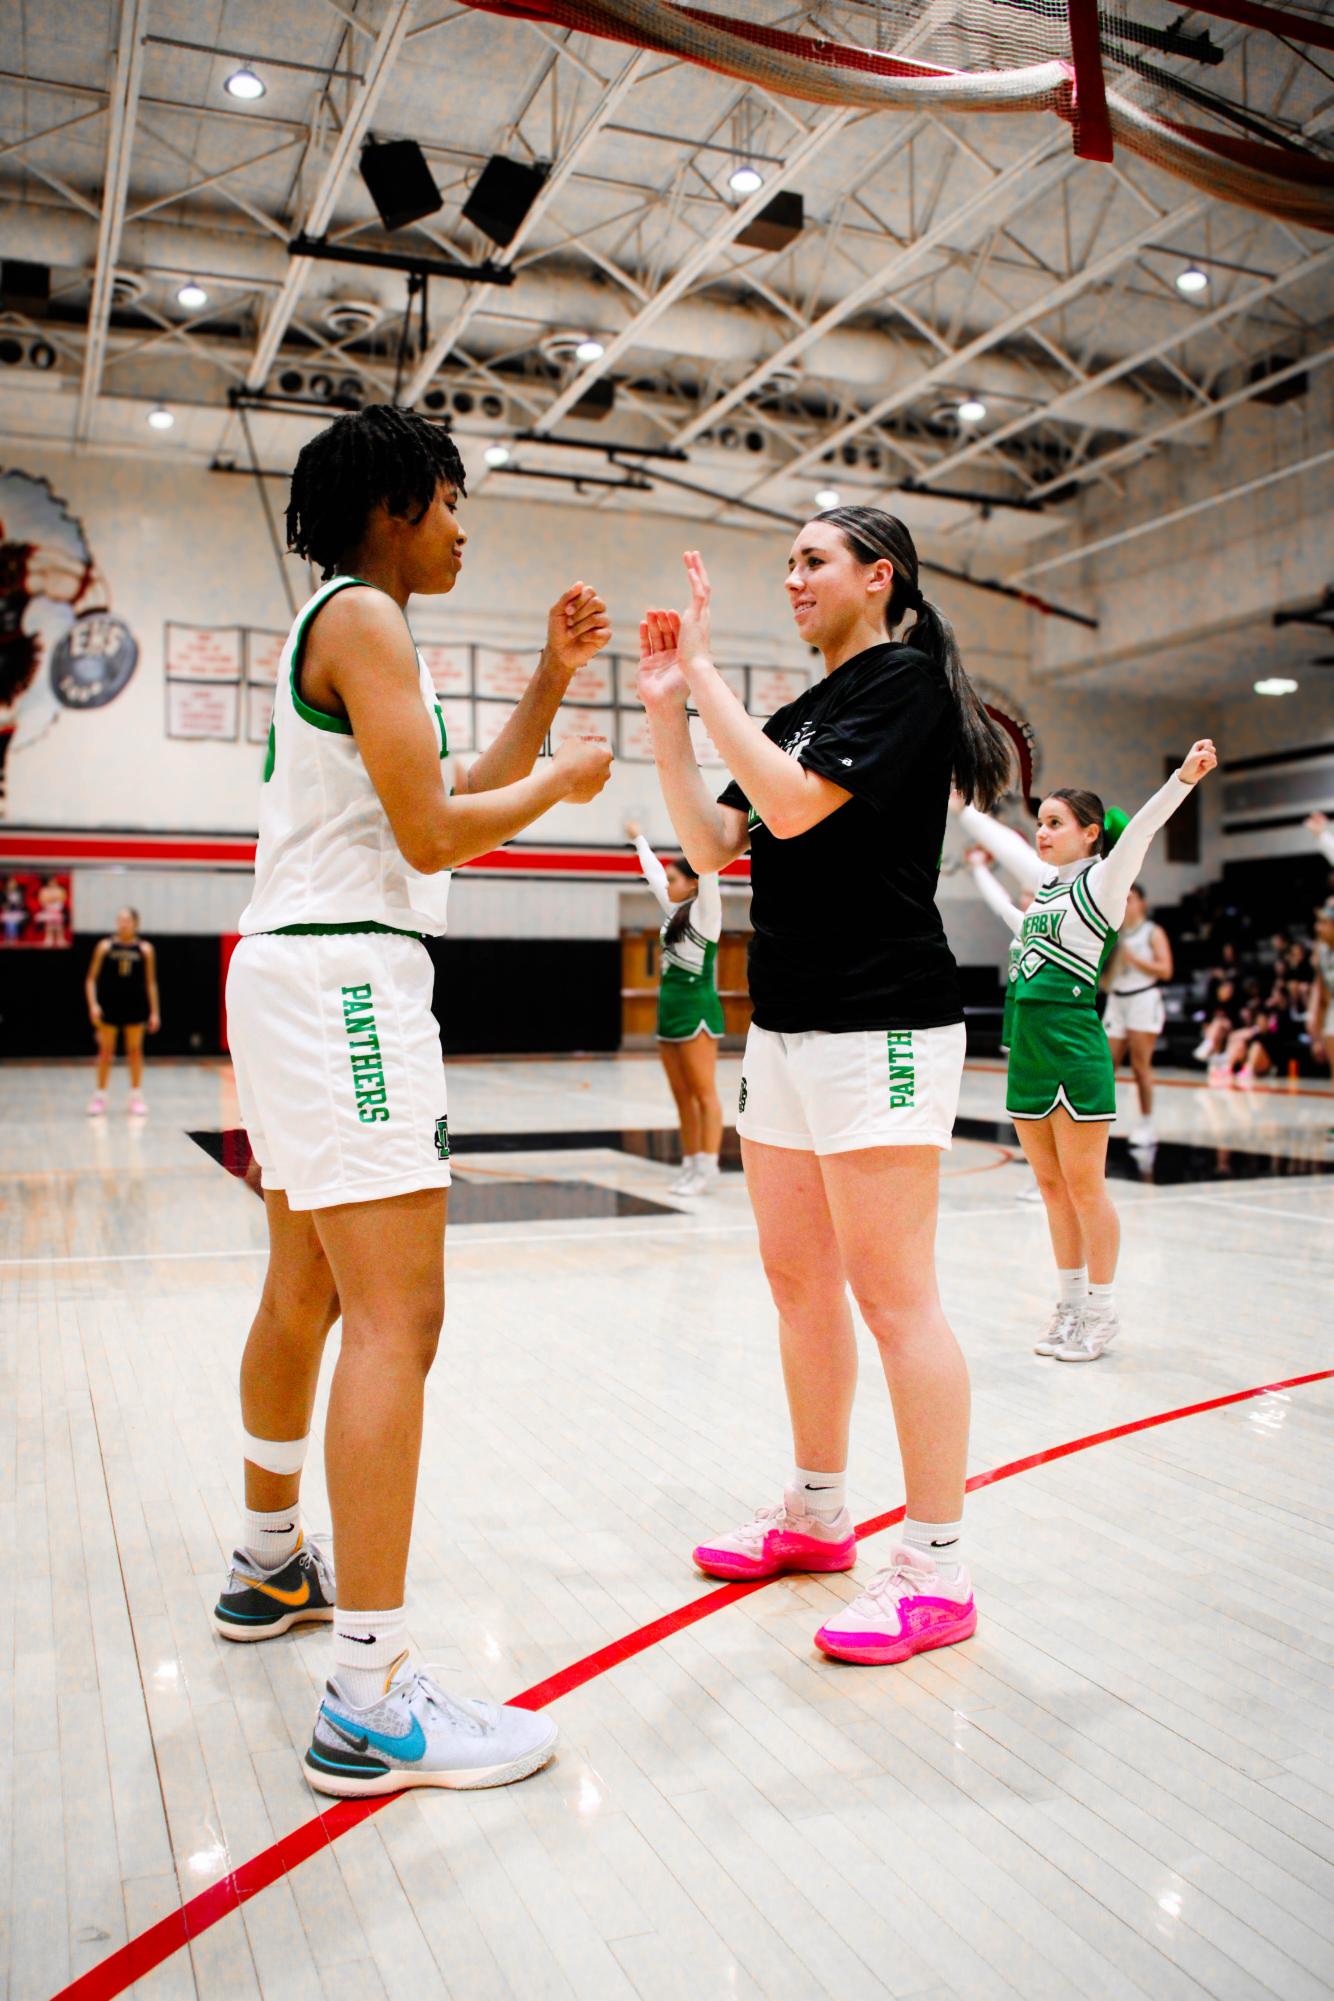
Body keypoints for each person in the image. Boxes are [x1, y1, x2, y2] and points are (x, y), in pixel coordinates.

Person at [214, 404, 613, 1797]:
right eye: (453, 503)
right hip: (342, 991)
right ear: (399, 501)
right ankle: (371, 1698)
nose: (463, 527)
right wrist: (565, 785)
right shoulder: (368, 625)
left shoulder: (344, 622)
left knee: (306, 1297)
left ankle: (271, 1564)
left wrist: (549, 693)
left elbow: (435, 798)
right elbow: (444, 832)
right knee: (400, 1316)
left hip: (288, 974)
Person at [637, 507, 1011, 1670]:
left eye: (811, 561)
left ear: (876, 577)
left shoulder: (902, 689)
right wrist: (667, 710)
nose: (791, 580)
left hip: (882, 1024)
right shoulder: (804, 710)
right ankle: (815, 1515)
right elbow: (707, 844)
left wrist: (703, 674)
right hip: (788, 1030)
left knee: (895, 1298)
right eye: (787, 563)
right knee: (798, 1286)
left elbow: (794, 808)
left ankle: (938, 1569)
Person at [955, 744, 1218, 1363]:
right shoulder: (1044, 891)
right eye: (1040, 823)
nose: (1042, 834)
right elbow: (1009, 854)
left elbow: (1146, 825)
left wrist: (1182, 777)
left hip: (1075, 1047)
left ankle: (1101, 1312)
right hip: (1029, 1051)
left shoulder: (1103, 884)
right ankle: (1070, 1305)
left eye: (1054, 824)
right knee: (1049, 1188)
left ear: (1090, 834)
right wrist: (964, 810)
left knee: (1084, 1187)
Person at [626, 817, 724, 1195]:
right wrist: (639, 840)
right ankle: (689, 1161)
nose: (668, 885)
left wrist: (699, 834)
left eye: (676, 879)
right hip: (668, 1011)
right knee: (682, 1095)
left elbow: (709, 867)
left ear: (695, 881)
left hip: (696, 1010)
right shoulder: (674, 911)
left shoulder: (705, 911)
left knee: (703, 1093)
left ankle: (708, 1165)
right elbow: (653, 875)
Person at [961, 843, 1040, 1198]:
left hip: (1041, 1028)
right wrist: (978, 868)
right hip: (1020, 1022)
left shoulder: (1040, 928)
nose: (1022, 896)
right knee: (1026, 1107)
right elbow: (1001, 902)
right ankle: (1045, 1175)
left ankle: (1050, 1177)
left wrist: (979, 867)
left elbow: (998, 901)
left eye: (1029, 891)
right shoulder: (1021, 930)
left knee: (1039, 1107)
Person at [1102, 883, 1173, 1144]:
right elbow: (1106, 978)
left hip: (1143, 998)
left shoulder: (1152, 932)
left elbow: (1166, 970)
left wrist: (1135, 960)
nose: (1126, 902)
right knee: (1105, 1066)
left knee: (1140, 1066)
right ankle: (1099, 1122)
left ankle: (1146, 1123)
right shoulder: (1115, 934)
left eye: (1130, 898)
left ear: (1142, 903)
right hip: (1116, 1000)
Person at [86, 907, 158, 1114]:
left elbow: (150, 983)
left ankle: (136, 1097)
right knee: (105, 1052)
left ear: (136, 923)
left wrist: (154, 1011)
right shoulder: (105, 946)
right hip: (109, 1006)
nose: (122, 923)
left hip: (135, 1006)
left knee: (135, 1052)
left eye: (127, 920)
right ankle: (99, 1096)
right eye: (120, 919)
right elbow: (91, 979)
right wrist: (93, 1004)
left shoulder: (145, 949)